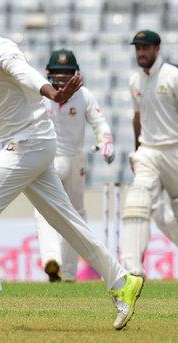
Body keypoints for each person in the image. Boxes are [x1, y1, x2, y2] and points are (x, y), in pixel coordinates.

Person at [0, 2, 142, 330]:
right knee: (68, 222)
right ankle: (122, 282)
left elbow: (25, 74)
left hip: (26, 144)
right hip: (37, 145)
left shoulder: (2, 50)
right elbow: (3, 84)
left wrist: (54, 94)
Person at [121, 30, 178, 282]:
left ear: (157, 48)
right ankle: (131, 270)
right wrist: (137, 149)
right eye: (137, 48)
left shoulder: (174, 76)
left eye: (145, 48)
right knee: (137, 201)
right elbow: (137, 117)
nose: (141, 53)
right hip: (149, 151)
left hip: (177, 151)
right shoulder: (134, 81)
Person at [34, 49, 115, 282]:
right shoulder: (44, 95)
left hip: (62, 160)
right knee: (70, 214)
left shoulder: (82, 95)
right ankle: (62, 268)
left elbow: (99, 123)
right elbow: (101, 125)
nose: (61, 79)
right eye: (58, 74)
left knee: (55, 211)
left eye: (66, 74)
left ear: (75, 74)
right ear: (49, 74)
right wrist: (106, 142)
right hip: (56, 159)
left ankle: (58, 264)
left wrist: (106, 141)